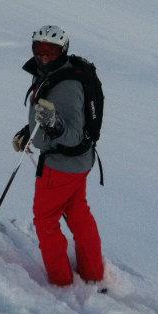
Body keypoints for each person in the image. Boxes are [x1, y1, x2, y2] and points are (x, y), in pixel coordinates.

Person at [12, 24, 104, 286]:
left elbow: (71, 132)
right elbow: (48, 118)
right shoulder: (56, 72)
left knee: (45, 220)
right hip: (80, 162)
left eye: (51, 51)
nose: (43, 56)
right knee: (77, 212)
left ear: (63, 51)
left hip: (60, 166)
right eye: (39, 49)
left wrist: (53, 126)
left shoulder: (67, 85)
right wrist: (29, 131)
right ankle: (93, 272)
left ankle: (61, 281)